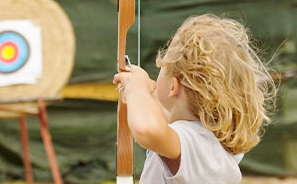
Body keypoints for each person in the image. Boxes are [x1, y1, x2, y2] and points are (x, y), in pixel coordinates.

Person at [113, 14, 276, 184]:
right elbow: (165, 117)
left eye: (163, 67)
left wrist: (137, 89)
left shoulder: (192, 144)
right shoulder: (213, 144)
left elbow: (147, 129)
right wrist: (146, 90)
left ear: (173, 86)